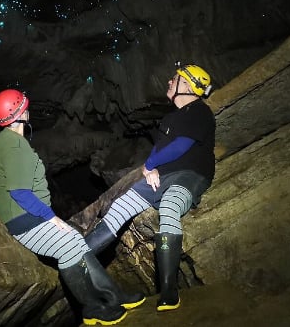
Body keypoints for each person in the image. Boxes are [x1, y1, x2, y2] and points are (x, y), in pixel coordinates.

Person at [0, 89, 146, 326]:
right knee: (68, 247)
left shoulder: (3, 140)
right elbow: (19, 192)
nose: (28, 110)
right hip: (24, 219)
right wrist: (50, 218)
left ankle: (114, 296)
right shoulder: (16, 147)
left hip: (19, 216)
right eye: (25, 107)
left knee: (76, 241)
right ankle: (91, 308)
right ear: (19, 114)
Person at [85, 62, 215, 312]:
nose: (169, 82)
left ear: (187, 86)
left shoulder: (200, 112)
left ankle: (168, 291)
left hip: (190, 175)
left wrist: (150, 164)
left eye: (174, 79)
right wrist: (151, 167)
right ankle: (78, 253)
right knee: (120, 205)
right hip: (161, 176)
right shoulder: (169, 117)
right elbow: (159, 148)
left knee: (169, 206)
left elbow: (180, 147)